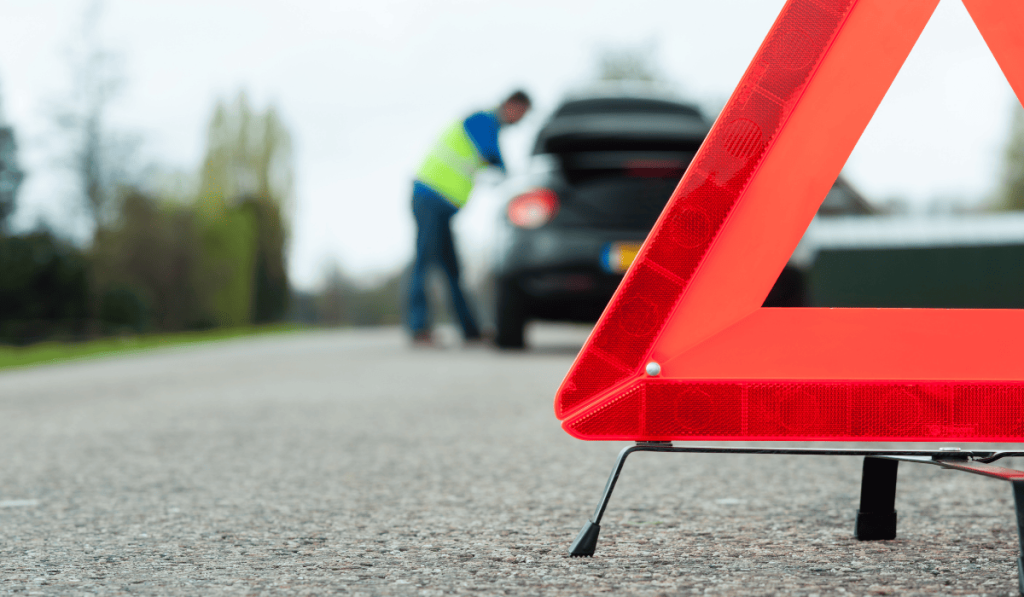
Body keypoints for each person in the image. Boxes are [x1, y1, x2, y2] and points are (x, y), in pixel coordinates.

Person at [407, 90, 531, 346]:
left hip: (440, 203)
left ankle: (470, 330)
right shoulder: (482, 120)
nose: (520, 120)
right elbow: (492, 155)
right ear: (512, 105)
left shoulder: (485, 126)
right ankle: (418, 327)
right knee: (425, 261)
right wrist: (514, 179)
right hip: (430, 196)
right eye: (521, 113)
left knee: (452, 269)